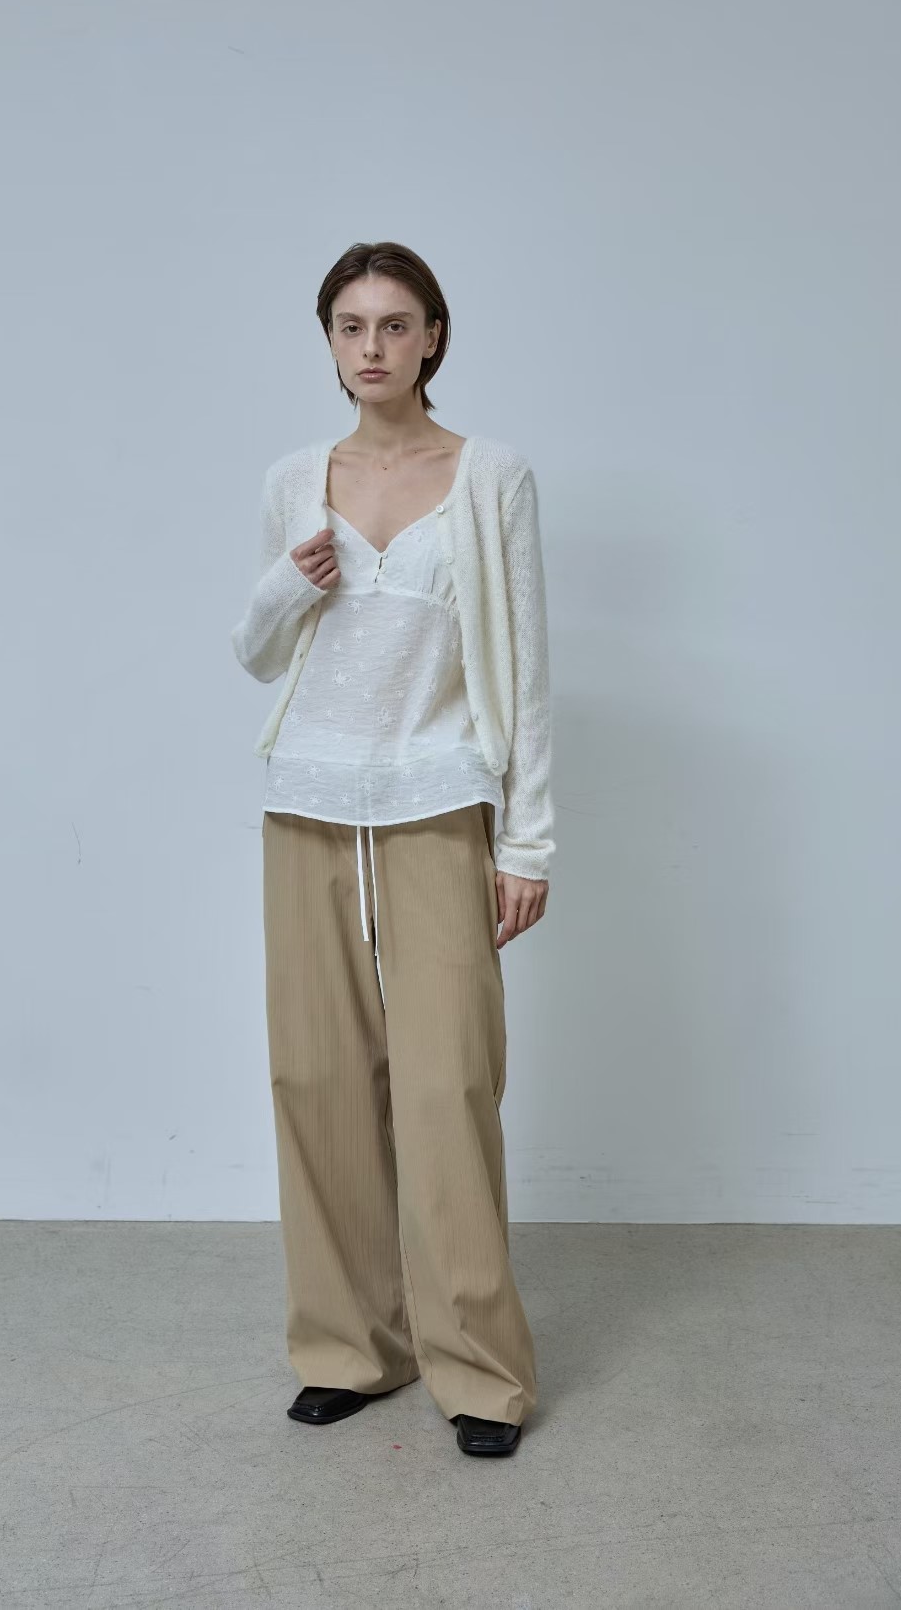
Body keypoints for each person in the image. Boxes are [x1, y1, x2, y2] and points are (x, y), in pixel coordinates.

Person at [231, 240, 555, 1457]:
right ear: (329, 341)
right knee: (316, 1083)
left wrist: (527, 841)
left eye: (395, 324)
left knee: (446, 1087)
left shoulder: (490, 477)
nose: (372, 346)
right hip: (307, 807)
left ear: (433, 338)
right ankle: (352, 1348)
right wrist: (288, 584)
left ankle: (477, 1370)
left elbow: (525, 671)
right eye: (351, 325)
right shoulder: (293, 479)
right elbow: (258, 652)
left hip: (437, 805)